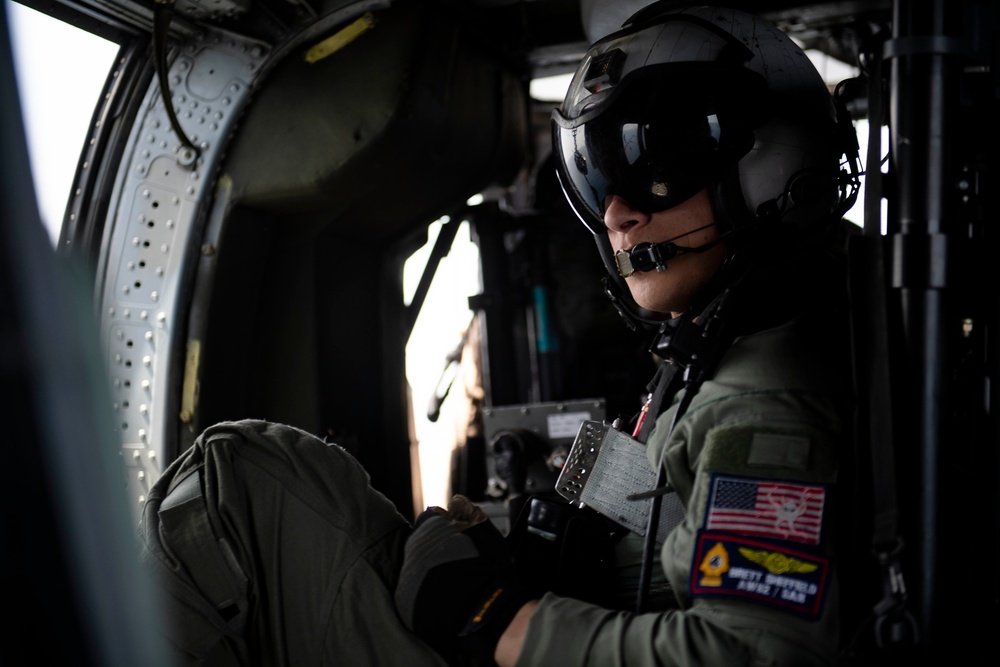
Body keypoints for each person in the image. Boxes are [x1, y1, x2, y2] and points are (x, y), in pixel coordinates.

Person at [395, 3, 862, 666]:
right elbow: (676, 498)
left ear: (770, 167)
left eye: (657, 161)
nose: (616, 213)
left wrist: (502, 624)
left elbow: (750, 651)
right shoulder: (736, 329)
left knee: (244, 470)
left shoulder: (759, 396)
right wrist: (562, 529)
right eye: (602, 176)